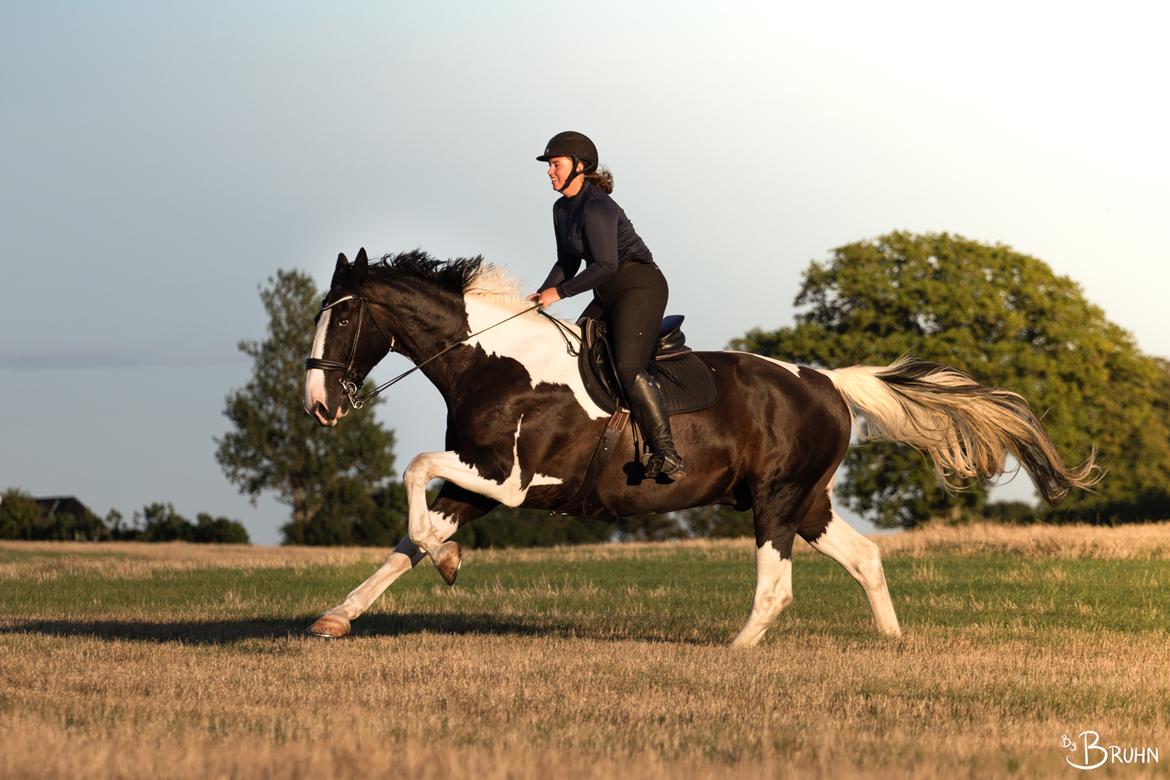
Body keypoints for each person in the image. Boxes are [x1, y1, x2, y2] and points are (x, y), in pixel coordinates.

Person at [528, 131, 685, 479]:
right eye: (549, 165)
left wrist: (560, 294)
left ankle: (667, 453)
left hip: (639, 286)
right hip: (607, 292)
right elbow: (568, 262)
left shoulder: (597, 207)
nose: (550, 171)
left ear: (579, 166)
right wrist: (541, 295)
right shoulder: (561, 208)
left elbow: (605, 265)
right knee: (577, 350)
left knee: (627, 367)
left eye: (556, 164)